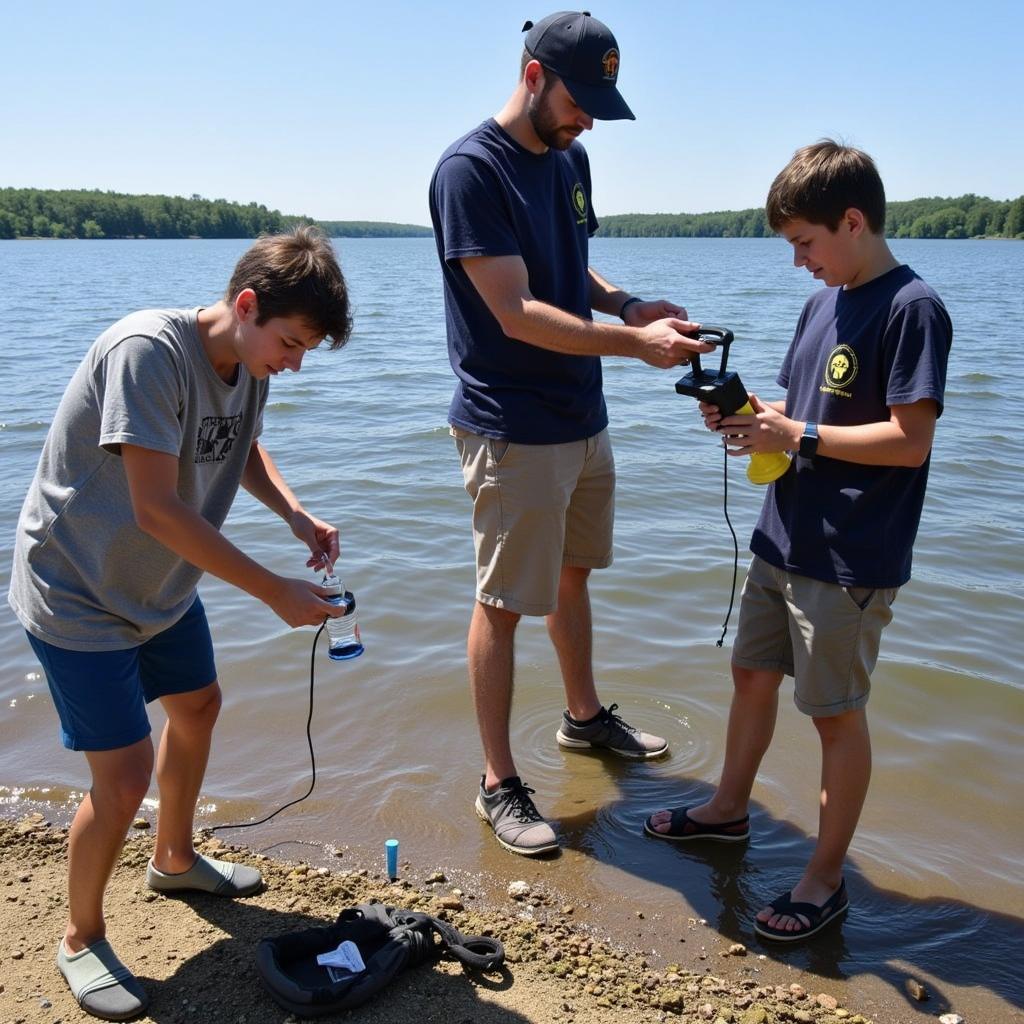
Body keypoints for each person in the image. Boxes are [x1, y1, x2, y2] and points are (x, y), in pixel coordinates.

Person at [8, 226, 353, 1019]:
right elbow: (158, 508)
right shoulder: (148, 352)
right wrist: (272, 590)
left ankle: (174, 857)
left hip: (159, 585)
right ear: (244, 305)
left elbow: (241, 445)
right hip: (79, 589)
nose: (295, 363)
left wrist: (297, 516)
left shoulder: (248, 360)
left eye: (306, 350)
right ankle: (79, 937)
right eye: (292, 343)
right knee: (122, 778)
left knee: (199, 706)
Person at [645, 141, 953, 941]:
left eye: (805, 244)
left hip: (851, 556)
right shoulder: (824, 303)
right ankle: (726, 810)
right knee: (751, 672)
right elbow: (805, 409)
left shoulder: (912, 308)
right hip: (782, 534)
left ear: (854, 221)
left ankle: (824, 879)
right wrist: (755, 424)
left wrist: (800, 431)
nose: (798, 263)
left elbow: (909, 441)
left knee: (834, 715)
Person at [428, 10, 713, 857]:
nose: (587, 119)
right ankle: (497, 784)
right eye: (578, 100)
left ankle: (584, 722)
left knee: (574, 575)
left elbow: (567, 262)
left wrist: (626, 304)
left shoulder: (569, 158)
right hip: (512, 426)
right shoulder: (468, 172)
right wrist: (634, 344)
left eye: (597, 104)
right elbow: (513, 312)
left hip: (582, 417)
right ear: (531, 75)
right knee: (506, 602)